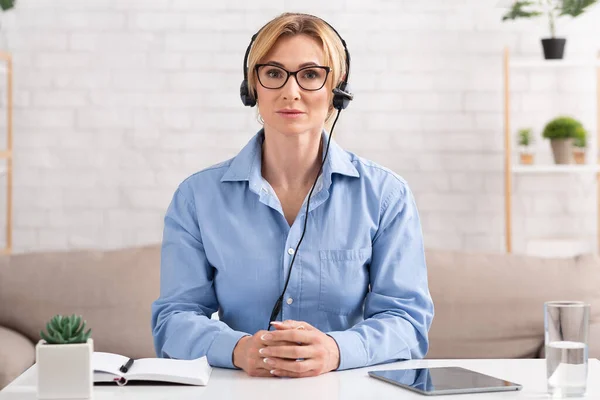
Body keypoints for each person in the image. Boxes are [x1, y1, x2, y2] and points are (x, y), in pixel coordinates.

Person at [151, 12, 434, 378]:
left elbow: (407, 321)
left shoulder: (385, 195)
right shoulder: (197, 197)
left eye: (311, 75)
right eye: (273, 73)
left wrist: (335, 350)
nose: (291, 91)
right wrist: (238, 350)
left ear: (338, 90)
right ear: (252, 86)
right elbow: (172, 320)